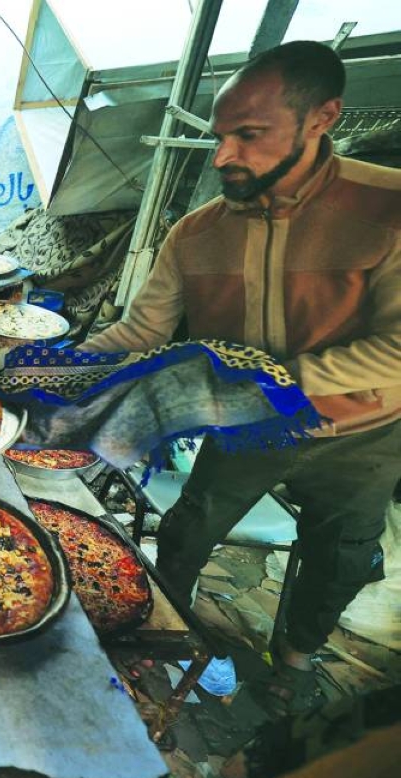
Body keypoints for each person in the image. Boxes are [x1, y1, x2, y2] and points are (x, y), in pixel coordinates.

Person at [80, 41, 401, 715]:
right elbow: (140, 330)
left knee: (339, 553)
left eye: (249, 136)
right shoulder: (195, 234)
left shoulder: (386, 209)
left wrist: (266, 378)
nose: (224, 156)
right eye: (221, 136)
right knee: (188, 529)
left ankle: (295, 659)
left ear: (322, 118)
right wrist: (57, 370)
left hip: (360, 431)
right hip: (247, 423)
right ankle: (161, 633)